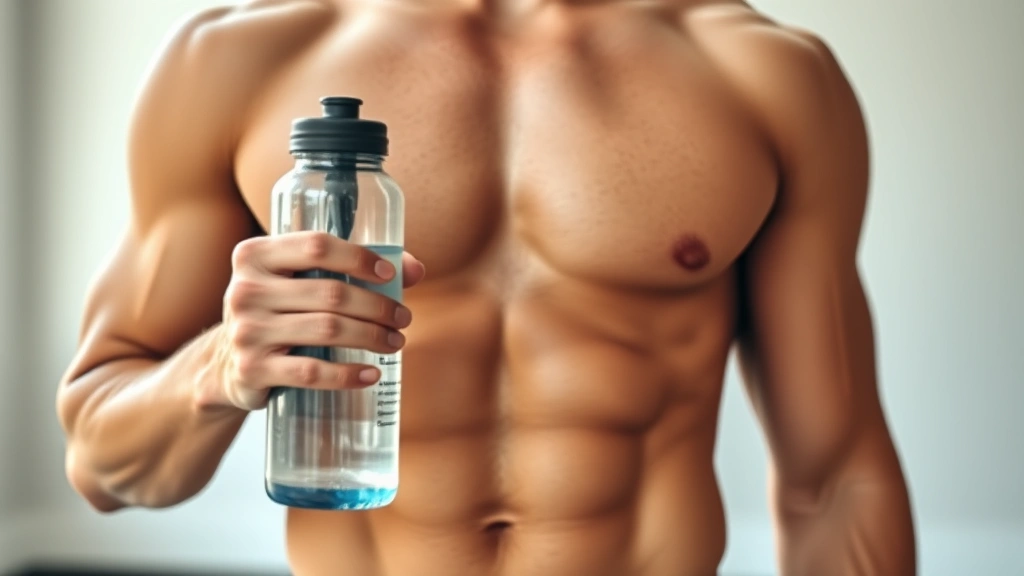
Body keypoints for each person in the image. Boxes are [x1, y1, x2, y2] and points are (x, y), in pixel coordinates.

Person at [55, 0, 916, 574]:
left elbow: (836, 480)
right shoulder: (235, 61)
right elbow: (102, 466)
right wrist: (214, 370)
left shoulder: (763, 74)